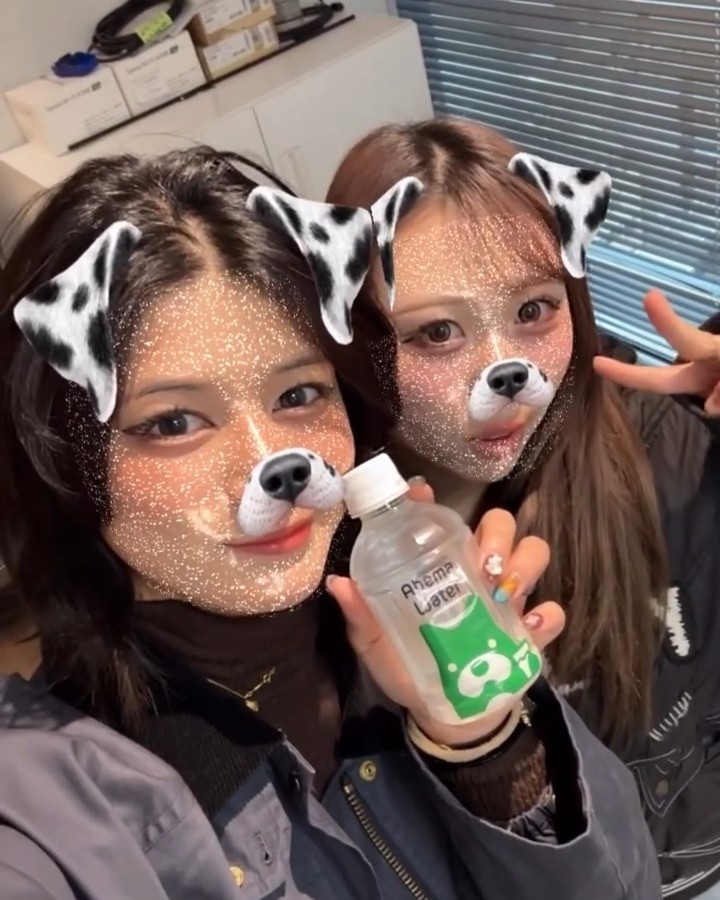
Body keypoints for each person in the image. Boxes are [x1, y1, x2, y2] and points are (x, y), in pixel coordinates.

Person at [0, 147, 659, 900]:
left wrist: (479, 741)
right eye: (174, 421)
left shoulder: (423, 617)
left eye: (298, 395)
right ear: (64, 452)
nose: (271, 463)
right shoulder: (45, 804)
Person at [327, 117, 720, 900]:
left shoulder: (668, 450)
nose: (503, 368)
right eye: (437, 331)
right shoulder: (335, 569)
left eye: (535, 310)